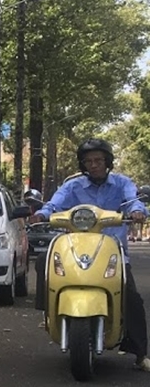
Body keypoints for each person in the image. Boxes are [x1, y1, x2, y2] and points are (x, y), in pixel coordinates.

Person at [30, 138, 150, 371]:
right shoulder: (73, 186)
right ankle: (48, 310)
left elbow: (134, 201)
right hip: (75, 245)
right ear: (83, 165)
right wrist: (42, 214)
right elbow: (54, 204)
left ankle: (139, 352)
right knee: (45, 262)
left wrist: (136, 211)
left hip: (113, 249)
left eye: (98, 160)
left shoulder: (121, 183)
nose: (94, 165)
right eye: (89, 161)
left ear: (107, 161)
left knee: (132, 296)